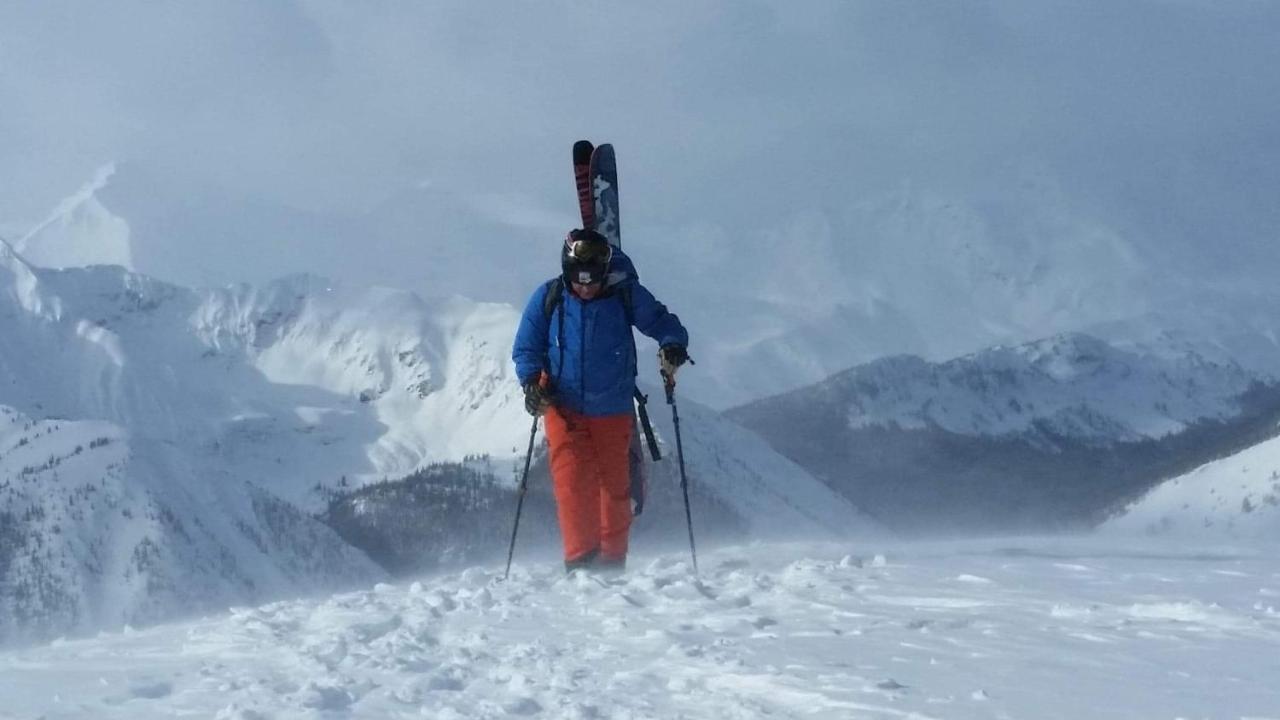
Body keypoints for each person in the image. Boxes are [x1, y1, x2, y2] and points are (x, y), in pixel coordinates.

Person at [512, 228, 689, 572]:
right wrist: (531, 384)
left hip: (612, 407)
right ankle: (581, 563)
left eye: (593, 281)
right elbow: (527, 348)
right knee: (572, 484)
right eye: (578, 281)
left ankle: (611, 564)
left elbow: (661, 321)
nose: (586, 287)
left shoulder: (625, 294)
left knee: (614, 489)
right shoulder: (548, 297)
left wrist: (672, 343)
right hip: (563, 407)